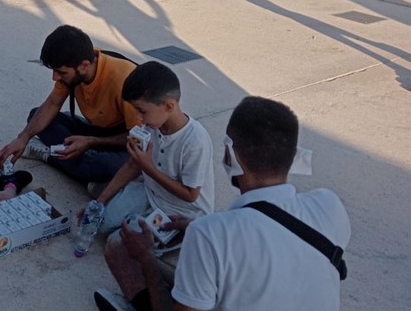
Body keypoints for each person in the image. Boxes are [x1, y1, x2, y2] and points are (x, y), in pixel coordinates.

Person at [101, 96, 351, 311]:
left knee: (121, 253)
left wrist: (145, 258)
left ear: (230, 155)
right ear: (293, 156)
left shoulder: (211, 233)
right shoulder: (329, 205)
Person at [0, 25, 140, 185]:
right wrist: (23, 138)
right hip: (95, 132)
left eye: (61, 72)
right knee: (36, 116)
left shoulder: (124, 79)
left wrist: (90, 142)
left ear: (84, 65)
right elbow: (53, 103)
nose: (55, 77)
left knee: (101, 164)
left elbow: (139, 140)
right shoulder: (74, 64)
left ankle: (52, 156)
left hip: (125, 141)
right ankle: (84, 168)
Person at [87, 61, 214, 235]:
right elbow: (132, 165)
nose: (138, 118)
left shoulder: (195, 140)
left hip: (180, 212)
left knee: (117, 241)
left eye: (142, 111)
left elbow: (190, 195)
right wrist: (99, 203)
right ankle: (133, 214)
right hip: (150, 192)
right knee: (100, 223)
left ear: (169, 106)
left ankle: (180, 234)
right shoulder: (150, 127)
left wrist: (148, 168)